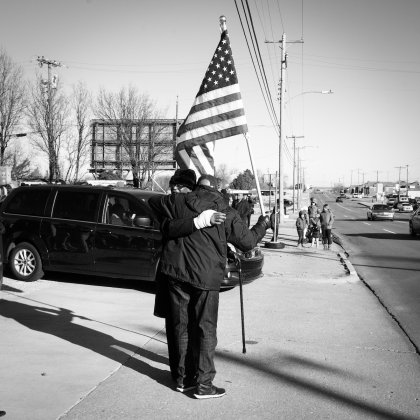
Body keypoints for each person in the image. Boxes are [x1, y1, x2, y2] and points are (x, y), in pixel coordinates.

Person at [149, 171, 271, 399]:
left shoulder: (177, 202)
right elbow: (248, 242)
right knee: (205, 329)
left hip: (176, 275)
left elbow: (153, 202)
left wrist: (193, 219)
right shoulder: (224, 209)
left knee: (179, 327)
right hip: (205, 277)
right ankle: (204, 385)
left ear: (197, 187)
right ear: (215, 189)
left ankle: (183, 380)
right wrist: (264, 224)